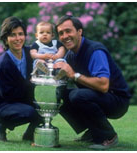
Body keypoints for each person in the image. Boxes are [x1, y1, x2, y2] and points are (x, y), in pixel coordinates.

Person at [54, 15, 131, 149]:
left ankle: (108, 136)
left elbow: (103, 85)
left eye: (68, 31)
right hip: (98, 96)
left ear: (79, 31)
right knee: (59, 94)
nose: (65, 36)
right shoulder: (71, 54)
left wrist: (73, 74)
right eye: (61, 33)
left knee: (77, 96)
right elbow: (61, 77)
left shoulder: (95, 50)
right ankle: (93, 131)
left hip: (117, 101)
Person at [0, 16, 42, 142]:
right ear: (6, 39)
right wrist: (29, 87)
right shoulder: (3, 63)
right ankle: (1, 125)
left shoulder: (29, 53)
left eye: (20, 34)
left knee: (43, 109)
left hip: (19, 98)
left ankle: (29, 135)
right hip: (0, 104)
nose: (17, 39)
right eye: (13, 35)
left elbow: (46, 51)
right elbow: (7, 95)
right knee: (31, 112)